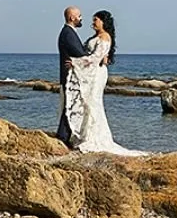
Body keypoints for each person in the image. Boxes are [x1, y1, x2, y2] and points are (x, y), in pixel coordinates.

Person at [63, 10, 147, 155]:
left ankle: (94, 137)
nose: (92, 23)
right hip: (92, 71)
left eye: (95, 20)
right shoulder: (95, 37)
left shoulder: (105, 37)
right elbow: (90, 54)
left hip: (97, 74)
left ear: (103, 21)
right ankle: (85, 135)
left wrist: (75, 62)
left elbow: (96, 57)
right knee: (86, 102)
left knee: (93, 102)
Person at [55, 6, 88, 145]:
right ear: (72, 17)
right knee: (69, 106)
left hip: (71, 76)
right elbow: (79, 54)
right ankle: (62, 137)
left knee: (71, 106)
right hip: (70, 77)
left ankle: (65, 136)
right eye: (79, 16)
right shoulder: (68, 34)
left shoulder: (69, 32)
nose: (81, 19)